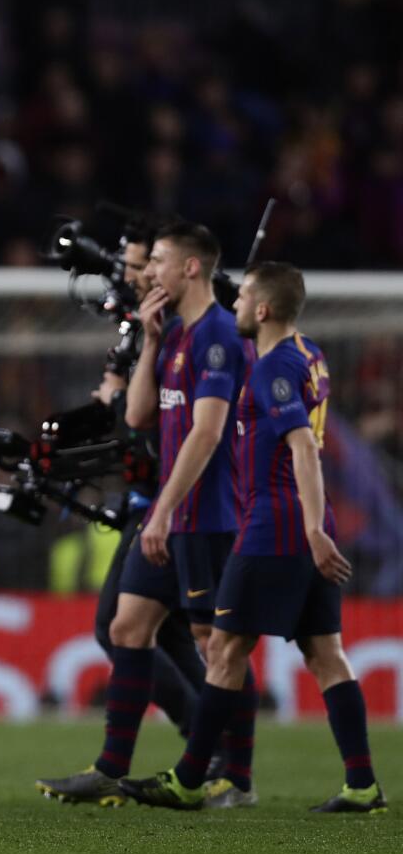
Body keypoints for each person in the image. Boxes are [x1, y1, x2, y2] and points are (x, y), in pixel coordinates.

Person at [122, 263, 385, 813]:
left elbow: (304, 449)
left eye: (242, 296)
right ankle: (362, 783)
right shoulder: (309, 352)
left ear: (263, 310)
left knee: (225, 648)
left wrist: (311, 530)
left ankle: (191, 778)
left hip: (277, 527)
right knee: (325, 654)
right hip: (304, 523)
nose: (235, 302)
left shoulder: (271, 369)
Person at [37, 221, 255, 806]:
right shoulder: (177, 334)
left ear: (190, 267)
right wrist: (153, 342)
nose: (147, 271)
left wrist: (161, 512)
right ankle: (111, 767)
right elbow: (136, 418)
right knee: (127, 628)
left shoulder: (218, 338)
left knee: (218, 644)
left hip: (205, 515)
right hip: (172, 513)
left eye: (157, 260)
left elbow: (207, 434)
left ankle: (236, 774)